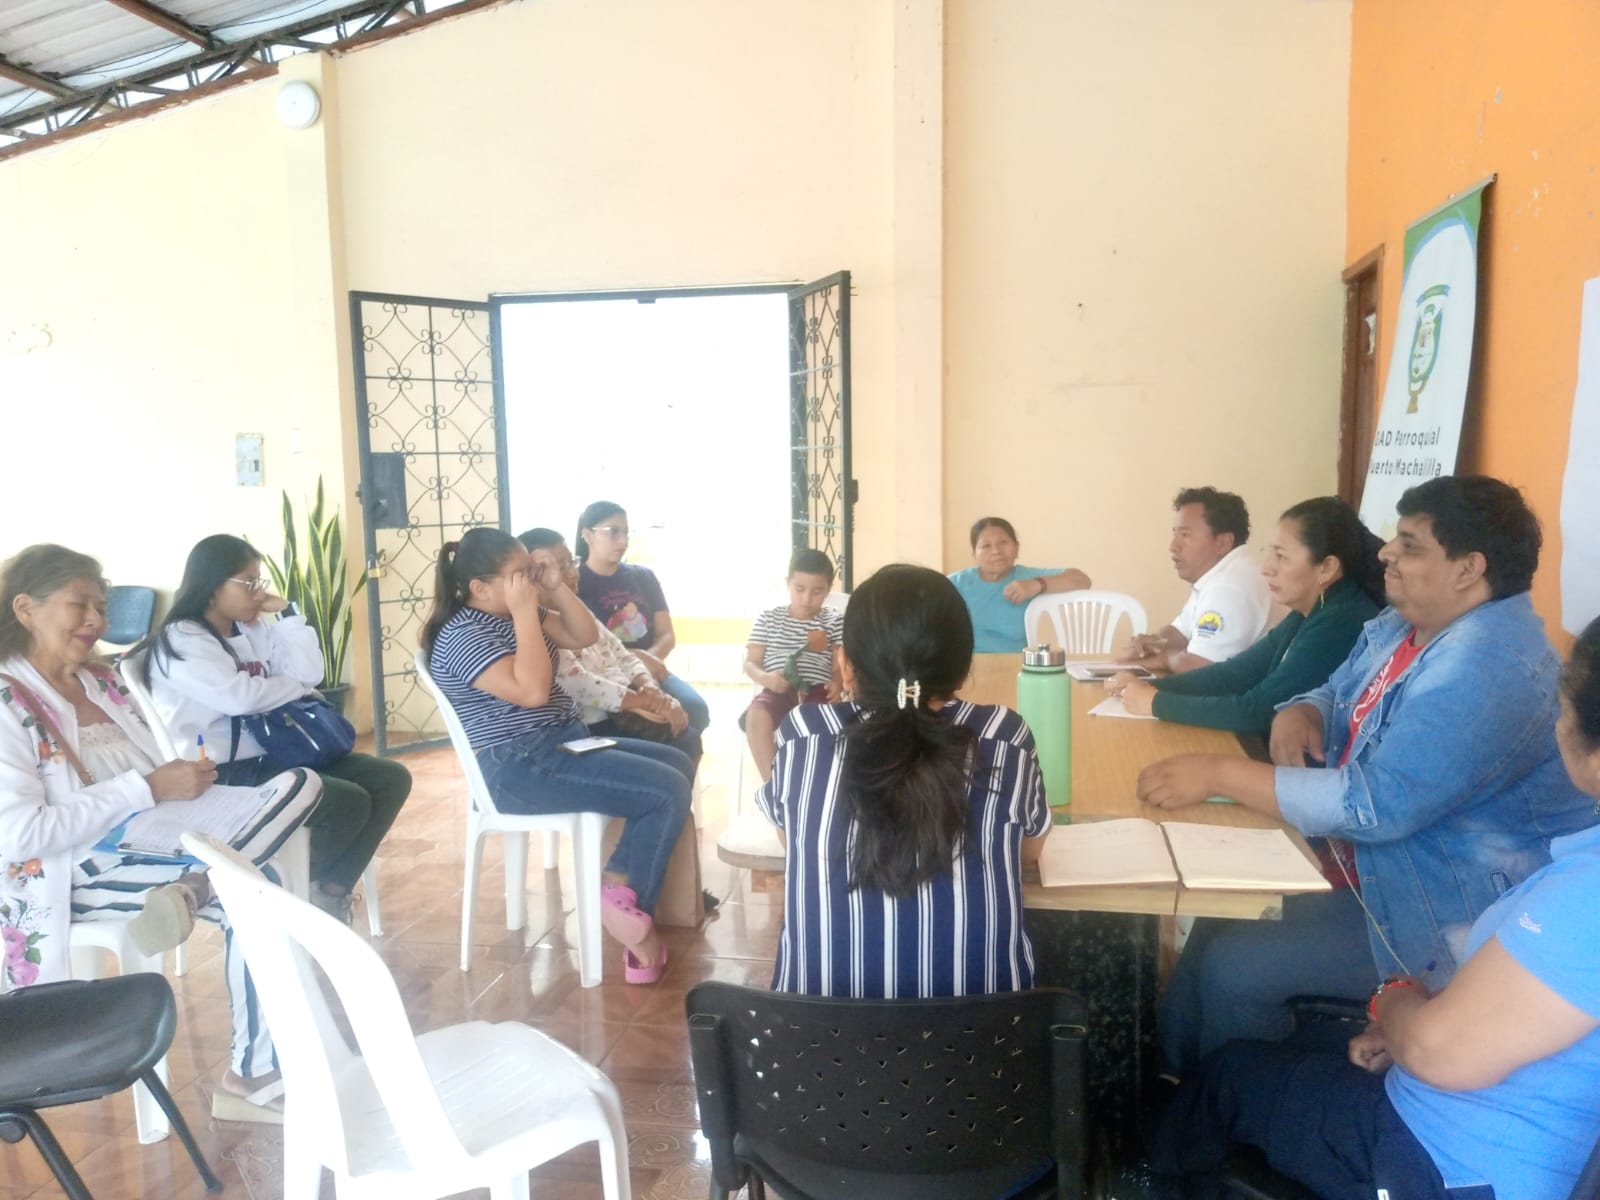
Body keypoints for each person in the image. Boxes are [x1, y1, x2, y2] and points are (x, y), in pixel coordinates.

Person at [1139, 476, 1597, 1077]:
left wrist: (1223, 773)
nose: (1385, 553)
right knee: (1223, 911)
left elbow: (1378, 804)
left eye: (1409, 545)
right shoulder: (1403, 625)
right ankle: (1172, 1087)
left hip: (1434, 910)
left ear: (1468, 568)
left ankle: (1233, 1108)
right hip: (1363, 868)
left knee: (1238, 966)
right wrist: (1304, 709)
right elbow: (1337, 688)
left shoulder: (1489, 667)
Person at [1150, 614, 1600, 1200]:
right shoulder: (1580, 876)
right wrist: (1409, 1026)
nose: (1555, 723)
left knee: (1226, 1078)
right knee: (1277, 1049)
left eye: (1563, 710)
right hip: (1472, 1093)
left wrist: (1395, 1000)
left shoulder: (1582, 899)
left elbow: (1441, 1051)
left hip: (1447, 1162)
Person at [0, 544, 322, 1122]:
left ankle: (196, 886)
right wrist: (146, 787)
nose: (96, 621)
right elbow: (22, 834)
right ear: (26, 609)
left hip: (155, 837)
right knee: (259, 884)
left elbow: (153, 775)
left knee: (302, 785)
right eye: (79, 605)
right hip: (68, 872)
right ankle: (252, 1077)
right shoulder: (7, 702)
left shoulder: (100, 682)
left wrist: (183, 783)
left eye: (101, 606)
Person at [756, 564, 1051, 997]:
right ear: (963, 668)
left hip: (814, 1037)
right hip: (988, 1037)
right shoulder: (1004, 737)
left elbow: (790, 839)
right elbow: (1028, 852)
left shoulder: (804, 735)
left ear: (845, 665)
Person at [421, 527, 692, 984]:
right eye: (518, 576)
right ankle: (636, 934)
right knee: (666, 791)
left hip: (558, 745)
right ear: (480, 588)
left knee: (677, 764)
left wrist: (555, 588)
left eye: (529, 572)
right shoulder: (462, 635)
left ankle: (619, 890)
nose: (528, 583)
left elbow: (583, 635)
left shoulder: (516, 612)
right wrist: (525, 613)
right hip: (518, 767)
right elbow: (532, 692)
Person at [145, 534, 412, 921]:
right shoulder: (184, 639)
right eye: (248, 582)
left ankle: (328, 892)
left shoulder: (248, 630)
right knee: (346, 802)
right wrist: (293, 687)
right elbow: (240, 698)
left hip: (276, 754)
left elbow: (310, 672)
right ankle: (269, 891)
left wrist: (287, 614)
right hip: (221, 773)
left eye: (260, 582)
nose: (258, 593)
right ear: (213, 585)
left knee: (389, 778)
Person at [1105, 497, 1383, 735]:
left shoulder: (1340, 622)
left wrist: (1156, 702)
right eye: (1270, 553)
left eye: (1281, 556)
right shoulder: (1313, 609)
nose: (1266, 568)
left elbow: (1259, 710)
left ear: (1327, 568)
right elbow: (1236, 674)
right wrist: (1150, 686)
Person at [517, 527, 700, 766]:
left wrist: (649, 687)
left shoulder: (577, 612)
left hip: (628, 705)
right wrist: (647, 701)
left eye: (571, 562)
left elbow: (622, 654)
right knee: (682, 746)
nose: (572, 572)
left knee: (688, 737)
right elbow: (579, 684)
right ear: (534, 576)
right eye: (560, 567)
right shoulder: (537, 625)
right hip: (595, 723)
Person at [574, 500, 710, 733]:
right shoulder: (574, 582)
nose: (623, 541)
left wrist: (646, 664)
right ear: (588, 535)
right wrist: (637, 661)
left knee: (695, 709)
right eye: (613, 532)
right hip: (607, 677)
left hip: (652, 670)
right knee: (658, 725)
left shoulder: (644, 577)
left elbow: (667, 635)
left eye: (626, 532)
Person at [1122, 487, 1272, 673]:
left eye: (1185, 535)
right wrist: (1155, 643)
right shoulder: (1218, 577)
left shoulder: (1230, 587)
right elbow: (1181, 632)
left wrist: (1165, 658)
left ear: (1223, 543)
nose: (1173, 546)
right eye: (1175, 534)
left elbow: (1201, 668)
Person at [743, 548, 844, 783]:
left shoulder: (833, 621)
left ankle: (810, 784)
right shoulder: (768, 618)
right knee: (755, 717)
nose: (807, 599)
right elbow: (750, 663)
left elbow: (839, 664)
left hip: (817, 691)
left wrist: (837, 682)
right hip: (777, 689)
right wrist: (767, 679)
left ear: (829, 589)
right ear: (788, 583)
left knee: (821, 727)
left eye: (817, 591)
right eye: (800, 589)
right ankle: (774, 787)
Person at [947, 517, 1091, 653]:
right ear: (974, 553)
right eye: (986, 546)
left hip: (1016, 664)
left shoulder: (1026, 577)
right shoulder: (956, 583)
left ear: (1017, 548)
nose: (996, 551)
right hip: (965, 665)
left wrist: (1037, 584)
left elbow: (1082, 580)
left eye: (1003, 542)